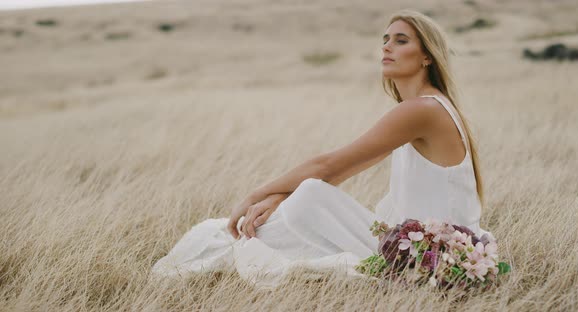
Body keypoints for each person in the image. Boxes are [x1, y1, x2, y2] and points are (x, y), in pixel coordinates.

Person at [151, 9, 495, 289]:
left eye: (401, 40)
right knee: (301, 201)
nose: (387, 47)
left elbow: (329, 165)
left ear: (426, 57)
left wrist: (257, 194)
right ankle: (236, 244)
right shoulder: (426, 107)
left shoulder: (423, 109)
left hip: (431, 256)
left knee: (308, 196)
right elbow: (346, 168)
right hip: (427, 248)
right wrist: (277, 198)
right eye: (385, 39)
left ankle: (227, 249)